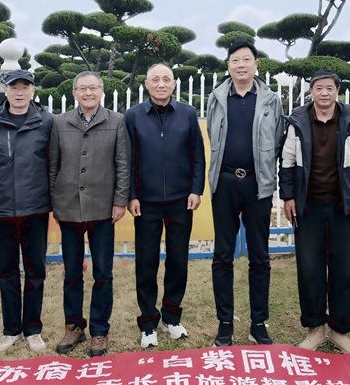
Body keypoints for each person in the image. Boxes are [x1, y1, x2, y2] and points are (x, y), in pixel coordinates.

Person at [279, 69, 350, 354]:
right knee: (309, 267)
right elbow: (288, 161)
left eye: (329, 88)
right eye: (319, 88)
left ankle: (340, 329)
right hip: (308, 205)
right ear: (311, 91)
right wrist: (288, 196)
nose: (324, 93)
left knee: (342, 268)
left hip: (342, 205)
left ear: (337, 91)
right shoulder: (298, 121)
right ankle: (315, 328)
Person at [206, 41, 284, 347]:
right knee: (222, 255)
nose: (241, 65)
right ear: (228, 66)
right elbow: (213, 136)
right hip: (224, 183)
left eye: (246, 60)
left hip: (258, 184)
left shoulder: (270, 100)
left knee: (259, 256)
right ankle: (225, 323)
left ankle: (258, 323)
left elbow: (277, 140)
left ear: (256, 65)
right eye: (235, 60)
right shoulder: (216, 98)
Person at [0, 69, 54, 353]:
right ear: (5, 90)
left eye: (25, 87)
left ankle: (33, 329)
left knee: (35, 271)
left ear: (33, 90)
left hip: (36, 210)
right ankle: (11, 330)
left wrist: (53, 202)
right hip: (2, 211)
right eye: (14, 87)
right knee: (7, 273)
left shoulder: (46, 122)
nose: (20, 92)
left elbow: (52, 164)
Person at [49, 71, 130, 358]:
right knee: (72, 272)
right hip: (68, 207)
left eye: (93, 88)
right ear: (74, 93)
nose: (88, 93)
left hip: (102, 207)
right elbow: (52, 165)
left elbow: (123, 164)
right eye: (82, 88)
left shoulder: (117, 121)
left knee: (103, 273)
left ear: (102, 90)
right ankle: (74, 325)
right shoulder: (59, 123)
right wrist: (53, 202)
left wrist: (120, 201)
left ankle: (99, 331)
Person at [125, 63, 205, 348]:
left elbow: (197, 155)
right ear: (146, 84)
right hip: (145, 202)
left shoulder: (187, 114)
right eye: (155, 79)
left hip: (180, 200)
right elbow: (128, 159)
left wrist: (196, 189)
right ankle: (148, 322)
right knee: (146, 262)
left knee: (177, 260)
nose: (161, 84)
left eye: (166, 80)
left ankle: (172, 316)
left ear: (174, 84)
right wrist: (131, 195)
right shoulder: (133, 116)